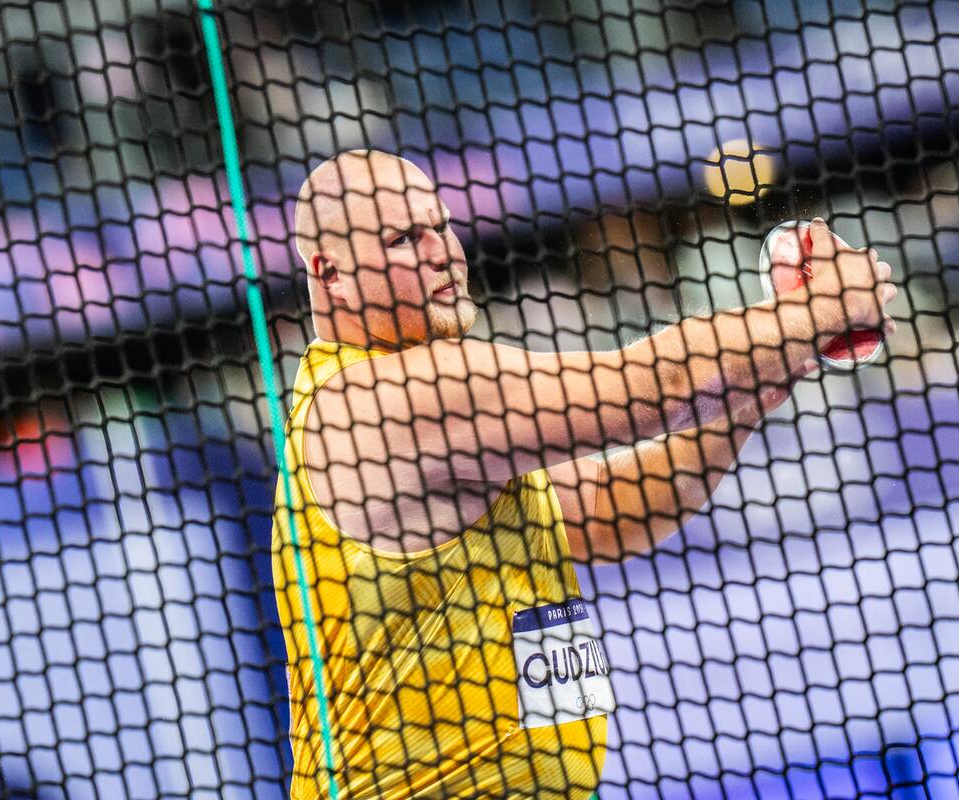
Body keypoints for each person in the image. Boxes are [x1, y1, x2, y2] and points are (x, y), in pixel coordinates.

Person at [272, 150, 898, 799]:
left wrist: (770, 373)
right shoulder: (382, 400)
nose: (444, 254)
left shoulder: (448, 429)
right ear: (331, 274)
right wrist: (820, 312)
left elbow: (611, 510)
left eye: (442, 226)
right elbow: (650, 386)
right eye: (404, 239)